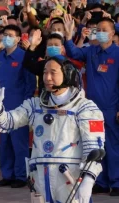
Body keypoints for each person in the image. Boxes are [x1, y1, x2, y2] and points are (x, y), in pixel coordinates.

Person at [0, 56, 105, 203]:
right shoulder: (35, 105)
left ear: (68, 74)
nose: (47, 77)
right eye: (44, 72)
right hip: (40, 180)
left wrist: (88, 180)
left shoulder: (85, 107)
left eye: (53, 72)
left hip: (69, 179)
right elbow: (6, 124)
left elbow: (94, 149)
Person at [64, 15, 119, 195]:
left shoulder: (117, 54)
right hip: (92, 110)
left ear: (112, 33)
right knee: (95, 146)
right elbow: (73, 53)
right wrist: (69, 35)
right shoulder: (91, 51)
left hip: (111, 107)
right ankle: (100, 181)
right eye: (98, 30)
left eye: (104, 30)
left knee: (112, 146)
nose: (100, 33)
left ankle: (116, 182)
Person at [0, 24, 36, 188]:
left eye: (11, 35)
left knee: (19, 144)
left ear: (18, 39)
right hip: (2, 108)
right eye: (5, 35)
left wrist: (26, 104)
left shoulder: (24, 57)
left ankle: (21, 176)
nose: (7, 38)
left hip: (18, 108)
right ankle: (7, 174)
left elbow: (30, 83)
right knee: (5, 143)